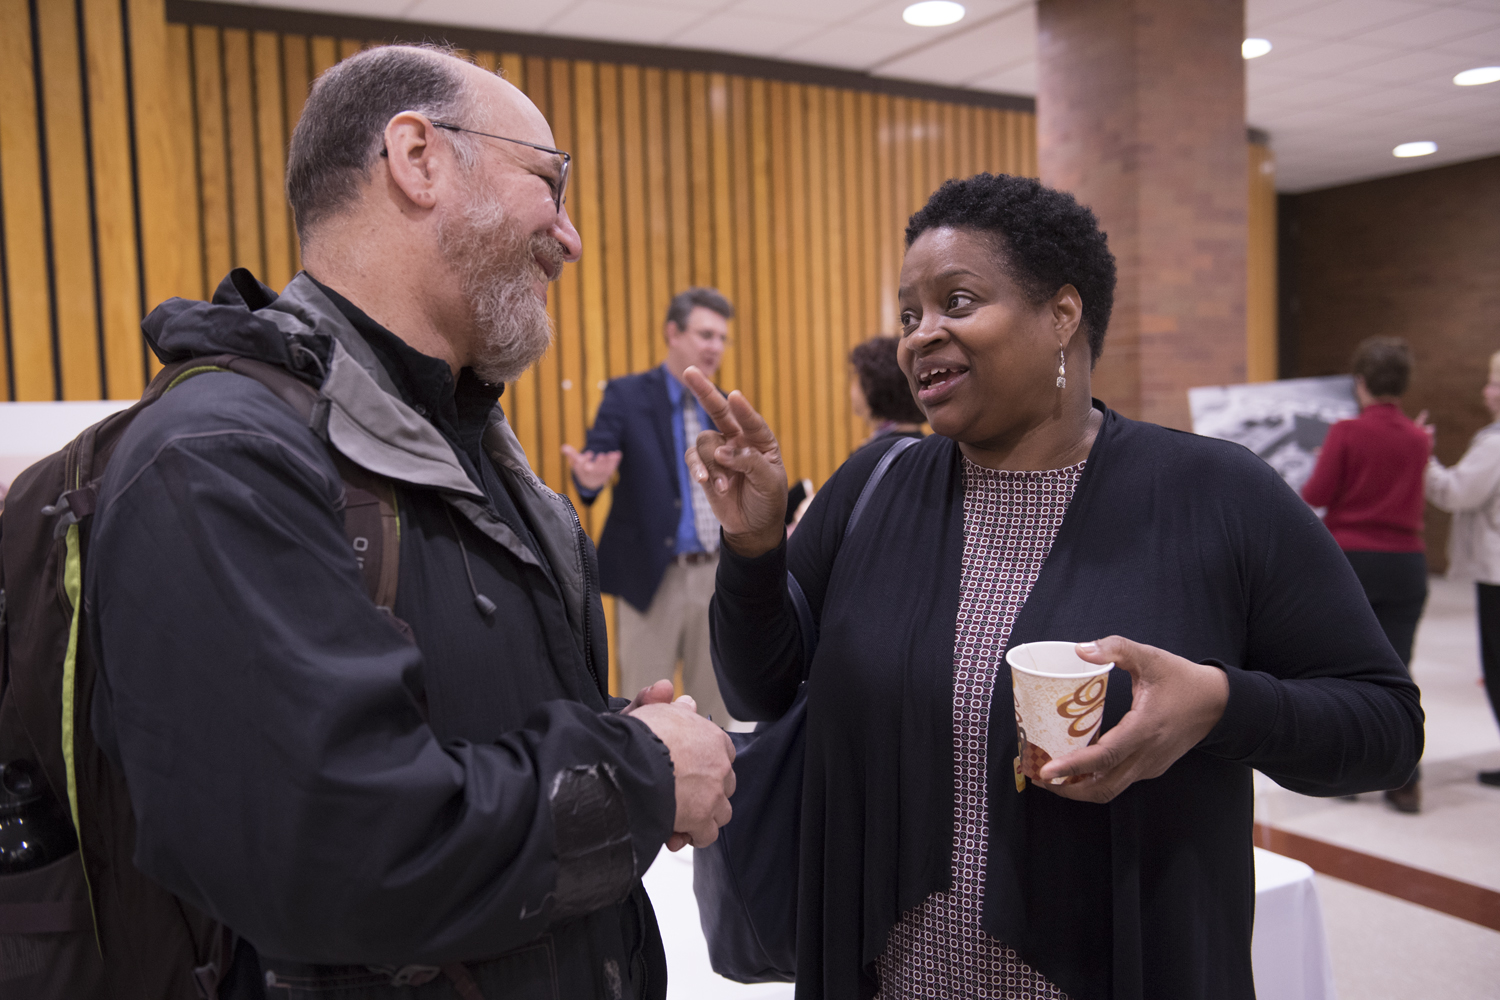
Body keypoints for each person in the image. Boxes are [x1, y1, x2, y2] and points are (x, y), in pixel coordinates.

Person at [85, 45, 735, 999]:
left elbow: (464, 737)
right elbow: (336, 845)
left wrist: (609, 737)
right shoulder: (219, 454)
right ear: (418, 158)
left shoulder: (480, 455)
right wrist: (638, 773)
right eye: (549, 183)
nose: (571, 236)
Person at [687, 173, 1422, 1000]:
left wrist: (1219, 706)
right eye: (908, 315)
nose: (921, 335)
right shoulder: (875, 485)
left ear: (1062, 315)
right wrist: (753, 549)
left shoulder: (1217, 495)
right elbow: (762, 687)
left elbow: (1385, 727)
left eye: (957, 302)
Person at [564, 289, 738, 725]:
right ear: (672, 333)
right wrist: (588, 482)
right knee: (646, 708)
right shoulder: (626, 395)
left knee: (716, 709)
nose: (715, 346)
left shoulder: (721, 406)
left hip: (717, 576)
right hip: (650, 579)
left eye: (721, 337)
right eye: (705, 334)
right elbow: (595, 463)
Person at [1301, 336, 1431, 812]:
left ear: (1360, 383)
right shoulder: (1419, 439)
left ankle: (1349, 775)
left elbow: (1316, 492)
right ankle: (1405, 781)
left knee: (1342, 671)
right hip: (1406, 564)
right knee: (1399, 671)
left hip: (1351, 560)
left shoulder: (1347, 433)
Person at [1422, 350, 1500, 789]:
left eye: (1492, 384)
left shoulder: (1494, 443)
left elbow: (1456, 493)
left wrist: (1425, 457)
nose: (1486, 392)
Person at [848, 336, 925, 448]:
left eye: (856, 377)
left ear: (872, 387)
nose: (852, 387)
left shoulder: (868, 458)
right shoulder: (932, 451)